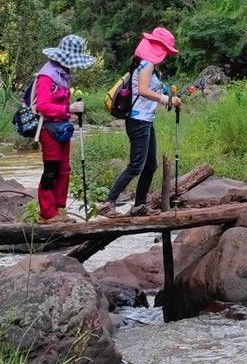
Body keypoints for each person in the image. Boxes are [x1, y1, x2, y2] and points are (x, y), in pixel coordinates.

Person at [105, 28, 180, 211]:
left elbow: (149, 91)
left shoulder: (147, 65)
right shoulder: (147, 65)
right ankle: (109, 202)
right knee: (136, 165)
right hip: (138, 121)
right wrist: (166, 99)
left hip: (145, 120)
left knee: (151, 165)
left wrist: (168, 98)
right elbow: (144, 90)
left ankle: (139, 205)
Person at [32, 34, 94, 221]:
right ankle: (47, 213)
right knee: (51, 169)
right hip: (48, 129)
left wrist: (70, 110)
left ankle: (60, 209)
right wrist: (69, 108)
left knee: (64, 169)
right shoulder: (47, 76)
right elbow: (41, 106)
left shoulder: (63, 73)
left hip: (62, 128)